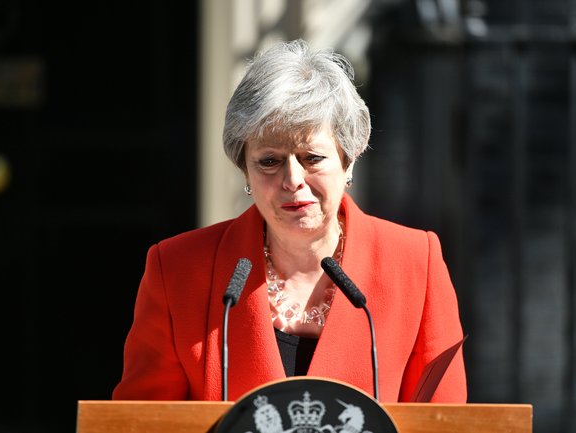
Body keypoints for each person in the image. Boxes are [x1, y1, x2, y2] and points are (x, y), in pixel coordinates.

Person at [112, 39, 466, 402]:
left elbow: (446, 421)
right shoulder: (178, 270)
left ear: (349, 161)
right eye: (269, 161)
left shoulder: (414, 263)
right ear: (244, 170)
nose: (292, 179)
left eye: (312, 157)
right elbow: (141, 422)